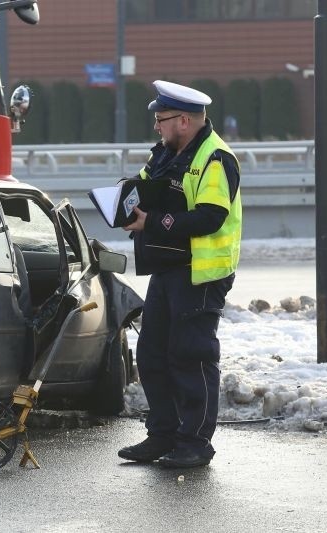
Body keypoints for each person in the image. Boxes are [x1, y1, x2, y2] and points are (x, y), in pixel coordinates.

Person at [117, 80, 242, 468]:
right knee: (152, 352)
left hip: (202, 273)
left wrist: (152, 220)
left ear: (183, 121)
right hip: (169, 268)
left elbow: (210, 216)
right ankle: (164, 434)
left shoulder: (216, 158)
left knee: (191, 356)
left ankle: (194, 443)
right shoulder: (165, 155)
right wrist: (122, 202)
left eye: (162, 119)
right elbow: (141, 187)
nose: (157, 126)